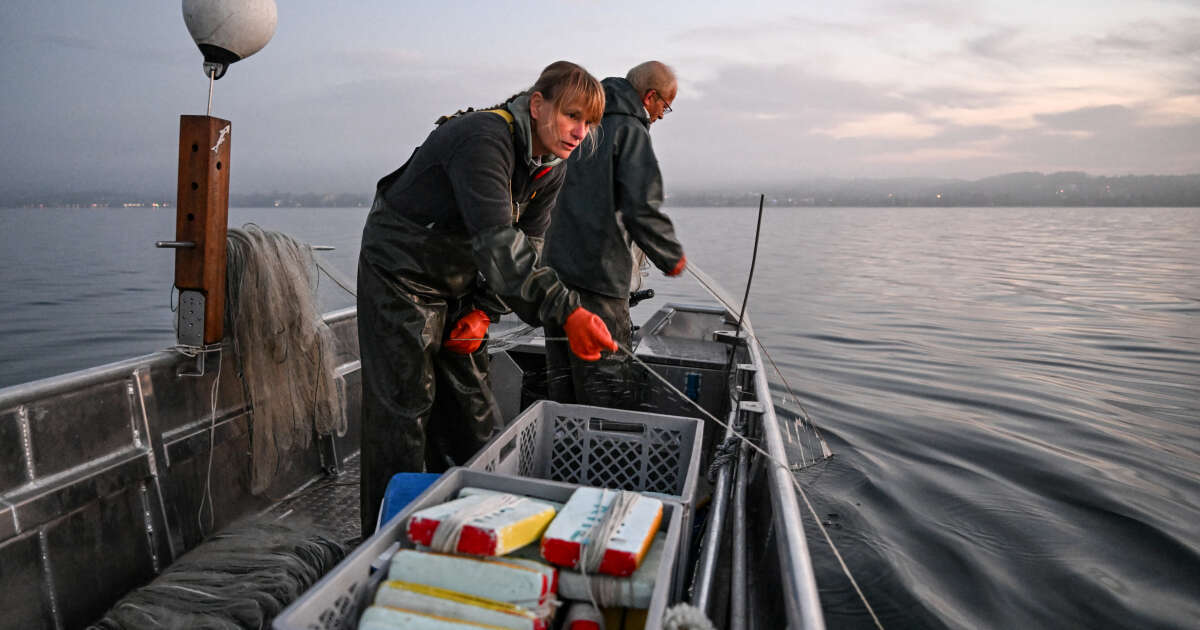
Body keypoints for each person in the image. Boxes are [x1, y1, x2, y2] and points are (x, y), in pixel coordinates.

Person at [356, 61, 618, 534]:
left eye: (589, 123)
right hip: (401, 270)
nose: (580, 132)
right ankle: (383, 537)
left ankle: (462, 526)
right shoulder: (483, 139)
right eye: (572, 115)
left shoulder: (551, 167)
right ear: (538, 105)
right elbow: (501, 245)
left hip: (464, 281)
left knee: (472, 412)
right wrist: (568, 311)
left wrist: (483, 310)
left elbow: (529, 246)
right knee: (405, 408)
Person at [543, 61, 687, 408]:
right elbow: (642, 206)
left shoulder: (579, 121)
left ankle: (561, 453)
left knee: (562, 382)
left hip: (553, 278)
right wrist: (670, 256)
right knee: (606, 387)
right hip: (600, 281)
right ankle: (603, 458)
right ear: (650, 97)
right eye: (664, 107)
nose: (662, 116)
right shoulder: (629, 129)